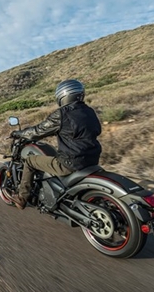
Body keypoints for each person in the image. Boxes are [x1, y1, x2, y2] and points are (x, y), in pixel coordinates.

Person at [10, 79, 102, 210]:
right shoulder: (89, 111)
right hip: (92, 159)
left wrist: (19, 133)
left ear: (62, 96)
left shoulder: (62, 114)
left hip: (70, 163)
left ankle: (22, 198)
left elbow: (37, 131)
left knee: (30, 161)